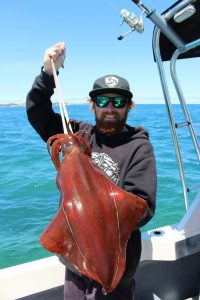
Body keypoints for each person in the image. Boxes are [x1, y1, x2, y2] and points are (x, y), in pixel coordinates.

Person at [26, 42, 157, 300]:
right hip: (75, 264)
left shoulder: (139, 148)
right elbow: (37, 113)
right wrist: (47, 73)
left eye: (118, 101)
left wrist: (97, 206)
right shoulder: (76, 134)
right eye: (103, 101)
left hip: (116, 266)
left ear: (128, 106)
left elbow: (143, 207)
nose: (110, 107)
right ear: (93, 104)